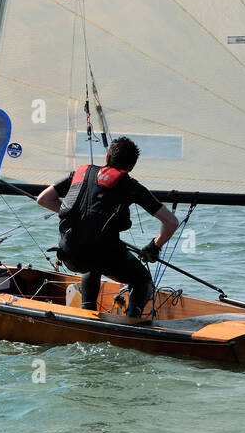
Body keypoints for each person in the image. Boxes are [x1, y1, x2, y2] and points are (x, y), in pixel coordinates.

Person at [36, 136, 179, 322]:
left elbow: (43, 199)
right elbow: (171, 222)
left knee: (91, 260)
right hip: (103, 255)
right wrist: (154, 247)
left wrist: (77, 215)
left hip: (68, 253)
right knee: (142, 279)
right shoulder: (131, 186)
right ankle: (132, 321)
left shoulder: (80, 173)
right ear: (131, 167)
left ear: (107, 157)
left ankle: (88, 313)